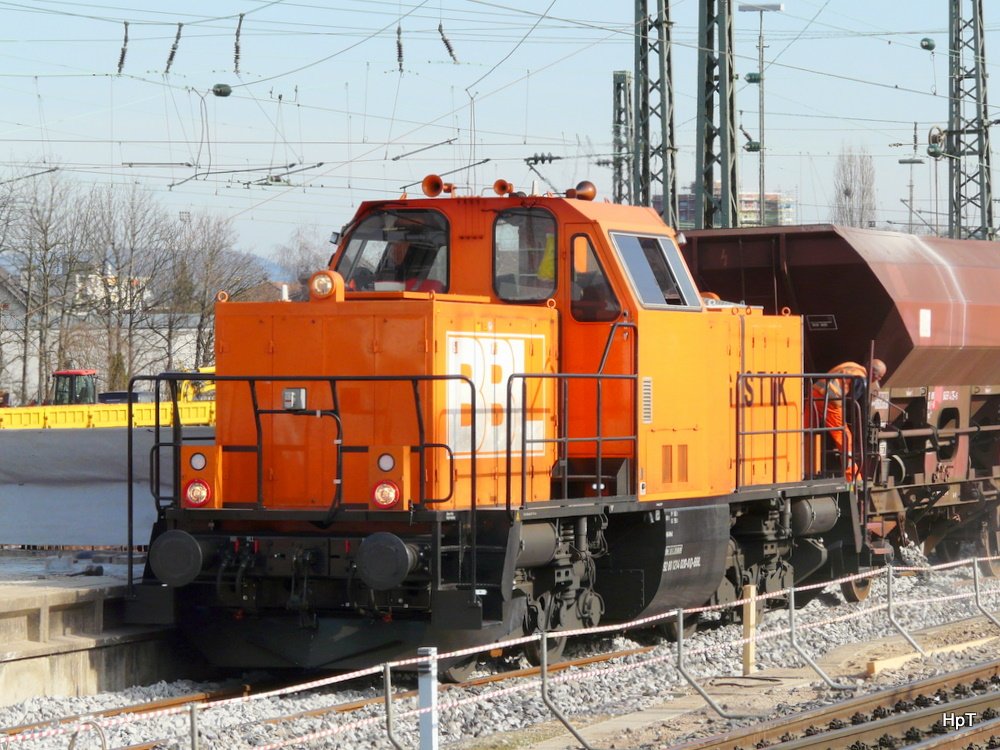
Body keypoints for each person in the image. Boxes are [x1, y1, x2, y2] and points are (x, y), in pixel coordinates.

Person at [811, 359, 886, 480]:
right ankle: (853, 477)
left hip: (814, 393)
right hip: (830, 401)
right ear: (872, 372)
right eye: (878, 377)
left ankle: (803, 467)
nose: (878, 380)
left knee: (807, 432)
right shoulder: (860, 378)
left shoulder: (852, 366)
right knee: (845, 438)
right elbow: (852, 401)